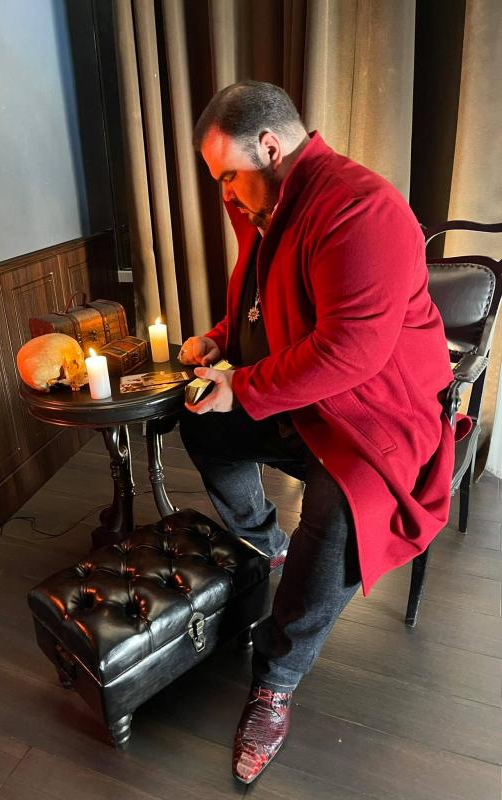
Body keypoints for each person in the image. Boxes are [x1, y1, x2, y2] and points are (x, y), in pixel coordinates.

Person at [177, 81, 454, 784]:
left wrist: (243, 387)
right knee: (203, 427)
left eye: (228, 174)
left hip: (378, 413)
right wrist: (220, 340)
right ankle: (267, 543)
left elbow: (349, 352)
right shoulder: (267, 203)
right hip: (303, 401)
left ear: (271, 147)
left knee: (337, 513)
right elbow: (266, 304)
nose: (225, 192)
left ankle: (276, 681)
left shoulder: (361, 208)